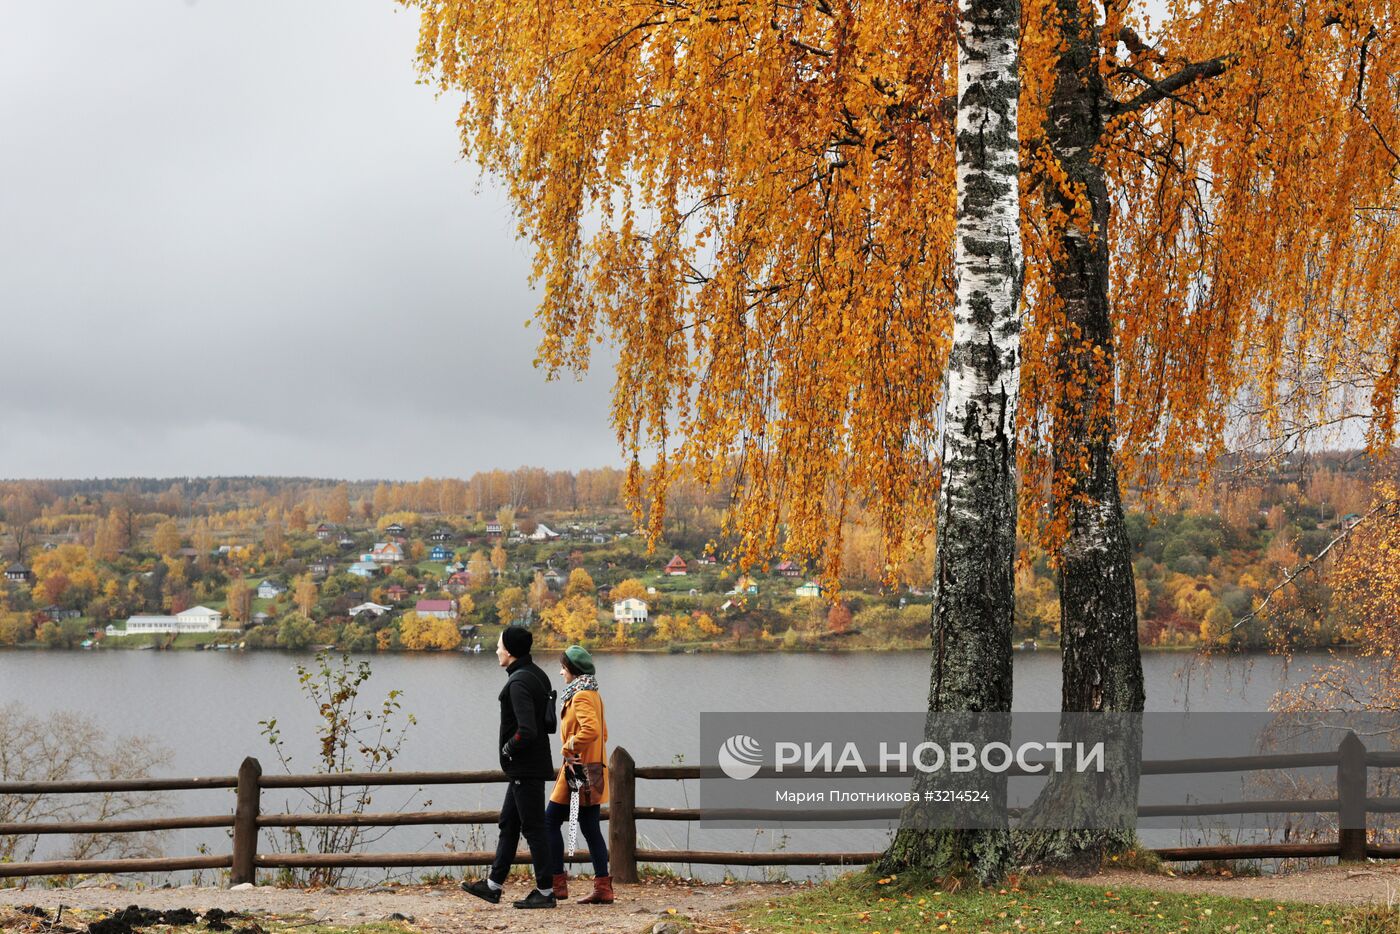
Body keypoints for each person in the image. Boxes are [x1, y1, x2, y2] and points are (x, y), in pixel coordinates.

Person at [461, 626, 557, 909]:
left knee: (534, 829)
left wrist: (508, 748)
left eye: (500, 645)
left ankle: (546, 891)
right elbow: (548, 724)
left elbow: (526, 730)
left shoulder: (518, 683)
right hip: (529, 767)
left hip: (524, 767)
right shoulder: (538, 675)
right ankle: (493, 886)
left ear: (511, 651)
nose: (496, 650)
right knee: (509, 824)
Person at [546, 644, 613, 905]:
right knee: (590, 827)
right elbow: (603, 734)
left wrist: (569, 746)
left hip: (579, 770)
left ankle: (557, 883)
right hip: (590, 769)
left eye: (563, 667)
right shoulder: (592, 693)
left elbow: (593, 730)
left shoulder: (582, 695)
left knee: (550, 821)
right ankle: (602, 887)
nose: (561, 672)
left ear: (573, 670)